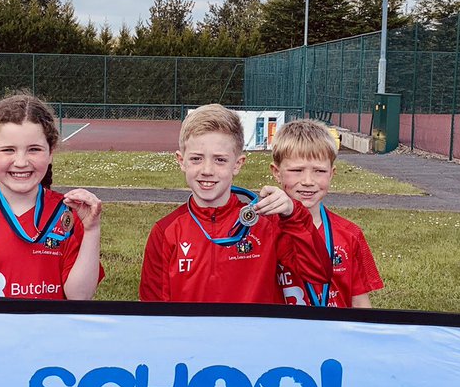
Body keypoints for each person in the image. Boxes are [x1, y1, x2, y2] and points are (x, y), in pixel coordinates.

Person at [139, 104, 330, 303]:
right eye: (196, 159)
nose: (207, 170)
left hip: (254, 334)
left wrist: (293, 215)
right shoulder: (165, 231)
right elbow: (153, 311)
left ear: (237, 164)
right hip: (190, 335)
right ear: (181, 161)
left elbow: (318, 274)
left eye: (220, 160)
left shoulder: (267, 223)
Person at [0, 93, 103, 299]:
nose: (21, 162)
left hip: (52, 331)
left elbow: (80, 297)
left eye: (34, 149)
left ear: (51, 151)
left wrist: (91, 230)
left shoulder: (69, 215)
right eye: (8, 150)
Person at [271, 119, 383, 308]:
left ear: (331, 173)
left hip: (336, 335)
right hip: (281, 335)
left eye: (319, 171)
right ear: (277, 172)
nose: (308, 181)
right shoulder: (262, 229)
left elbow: (360, 302)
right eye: (297, 170)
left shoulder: (350, 234)